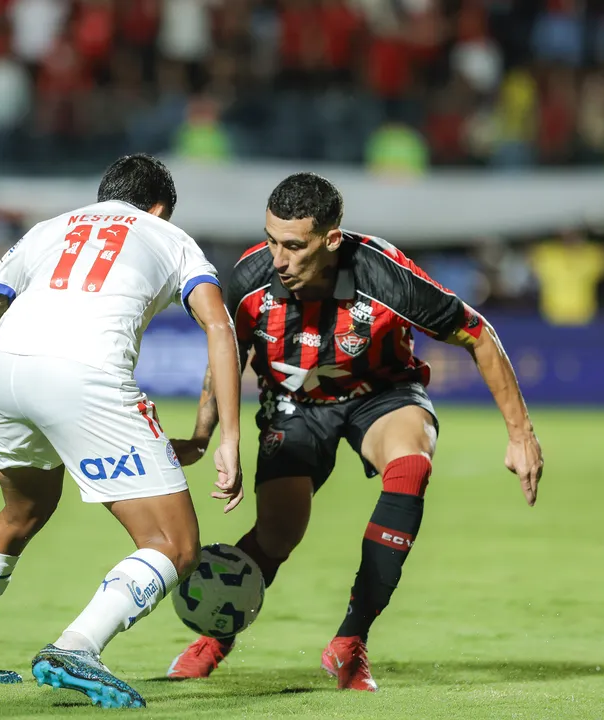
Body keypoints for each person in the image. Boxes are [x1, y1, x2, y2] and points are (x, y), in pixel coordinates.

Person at [165, 172, 544, 690]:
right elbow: (227, 357)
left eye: (294, 246)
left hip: (382, 393)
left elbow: (478, 333)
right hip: (294, 404)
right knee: (278, 533)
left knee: (411, 464)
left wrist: (520, 435)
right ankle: (217, 636)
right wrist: (205, 436)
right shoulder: (249, 279)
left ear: (332, 240)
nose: (278, 259)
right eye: (272, 240)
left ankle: (351, 640)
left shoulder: (385, 277)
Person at [0, 154, 243, 709]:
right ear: (160, 208)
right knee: (175, 545)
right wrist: (225, 437)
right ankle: (77, 646)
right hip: (85, 376)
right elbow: (218, 326)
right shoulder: (170, 237)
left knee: (22, 512)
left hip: (7, 370)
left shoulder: (47, 230)